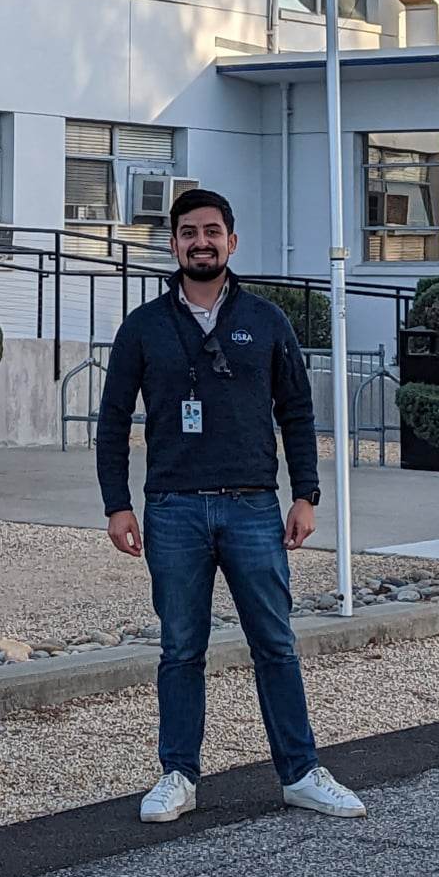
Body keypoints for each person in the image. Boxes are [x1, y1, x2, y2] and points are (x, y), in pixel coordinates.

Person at [96, 187, 366, 825]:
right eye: (188, 232)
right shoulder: (143, 327)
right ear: (173, 244)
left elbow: (296, 412)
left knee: (274, 641)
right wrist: (117, 504)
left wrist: (306, 494)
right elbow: (112, 422)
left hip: (251, 508)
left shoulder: (267, 321)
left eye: (212, 231)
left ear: (232, 241)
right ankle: (178, 774)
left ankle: (300, 772)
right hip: (173, 510)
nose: (201, 242)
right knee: (180, 648)